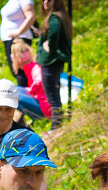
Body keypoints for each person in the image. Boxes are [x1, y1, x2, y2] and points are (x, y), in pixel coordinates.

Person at [37, 0, 71, 130]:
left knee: (52, 96)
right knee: (54, 94)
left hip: (51, 63)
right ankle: (57, 124)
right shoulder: (60, 16)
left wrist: (50, 46)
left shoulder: (55, 17)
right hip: (54, 63)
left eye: (49, 0)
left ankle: (56, 127)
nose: (45, 2)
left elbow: (55, 32)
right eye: (44, 0)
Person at [9, 40, 50, 122]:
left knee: (13, 98)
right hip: (42, 100)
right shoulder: (32, 67)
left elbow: (39, 81)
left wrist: (31, 90)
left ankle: (37, 119)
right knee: (13, 89)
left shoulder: (35, 68)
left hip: (45, 107)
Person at [0, 0, 35, 88]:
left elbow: (31, 16)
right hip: (10, 39)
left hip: (19, 41)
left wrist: (18, 33)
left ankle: (27, 96)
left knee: (22, 72)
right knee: (16, 71)